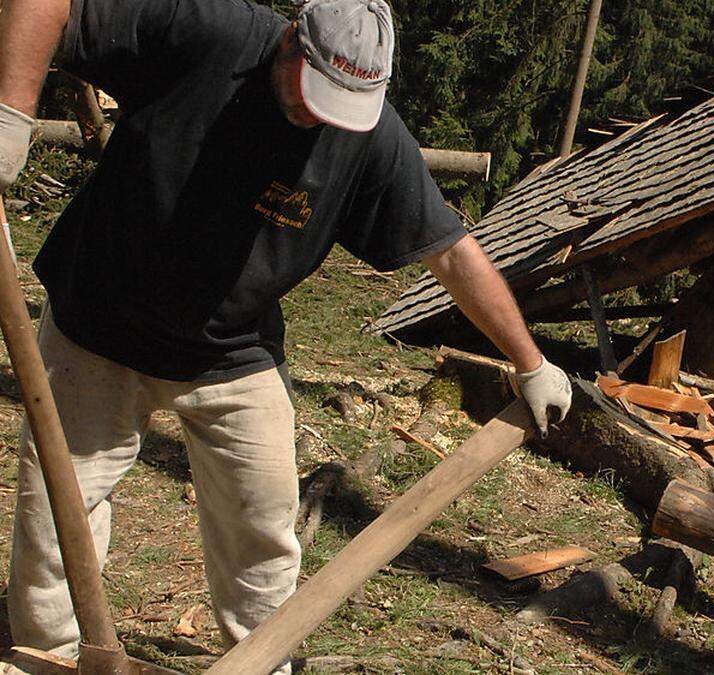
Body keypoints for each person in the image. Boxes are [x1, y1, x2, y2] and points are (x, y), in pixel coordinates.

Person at [0, 0, 572, 669]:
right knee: (53, 523)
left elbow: (449, 251)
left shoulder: (369, 137)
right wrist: (11, 116)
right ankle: (47, 656)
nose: (323, 118)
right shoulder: (206, 32)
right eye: (316, 92)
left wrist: (529, 362)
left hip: (232, 351)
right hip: (99, 322)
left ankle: (262, 660)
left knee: (263, 531)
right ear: (292, 42)